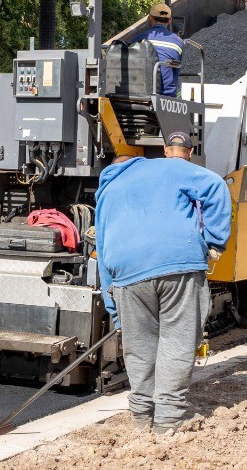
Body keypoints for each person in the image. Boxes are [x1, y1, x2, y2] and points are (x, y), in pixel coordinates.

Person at [94, 131, 231, 434]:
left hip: (127, 273)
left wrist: (113, 308)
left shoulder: (108, 190)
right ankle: (168, 418)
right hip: (177, 263)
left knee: (139, 346)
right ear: (187, 151)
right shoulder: (169, 167)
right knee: (177, 340)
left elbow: (102, 252)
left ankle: (141, 417)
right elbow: (216, 186)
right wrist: (214, 241)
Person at [140, 2, 183, 97]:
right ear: (170, 21)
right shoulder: (178, 42)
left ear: (150, 18)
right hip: (168, 95)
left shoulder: (139, 39)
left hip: (142, 92)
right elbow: (178, 66)